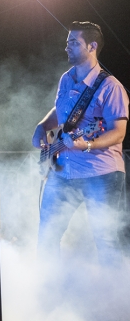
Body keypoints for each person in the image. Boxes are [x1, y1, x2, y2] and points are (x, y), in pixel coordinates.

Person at [32, 21, 128, 266]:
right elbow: (61, 111)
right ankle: (48, 289)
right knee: (48, 233)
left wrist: (86, 145)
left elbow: (117, 132)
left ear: (92, 46)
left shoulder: (111, 86)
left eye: (74, 43)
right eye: (67, 42)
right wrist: (42, 126)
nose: (67, 47)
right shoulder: (66, 78)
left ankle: (115, 298)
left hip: (101, 173)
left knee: (106, 238)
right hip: (63, 171)